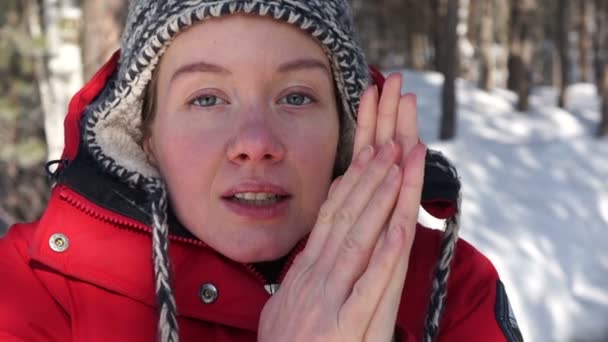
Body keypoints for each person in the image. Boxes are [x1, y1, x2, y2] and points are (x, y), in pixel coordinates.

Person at [0, 1, 523, 341]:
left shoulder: (451, 288)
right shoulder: (34, 284)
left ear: (343, 126)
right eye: (206, 98)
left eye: (296, 96)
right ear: (145, 135)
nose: (255, 144)